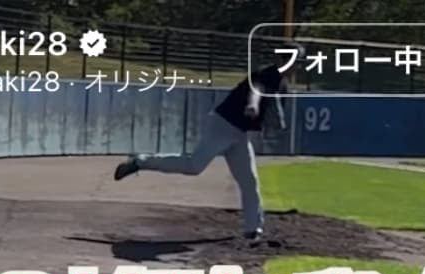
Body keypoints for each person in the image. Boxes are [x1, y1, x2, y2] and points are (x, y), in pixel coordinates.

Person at [112, 62, 291, 242]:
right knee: (194, 166)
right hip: (223, 125)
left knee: (249, 181)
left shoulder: (282, 84)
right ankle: (140, 162)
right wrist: (253, 104)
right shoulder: (267, 74)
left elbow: (273, 111)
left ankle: (253, 230)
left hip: (240, 133)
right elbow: (256, 90)